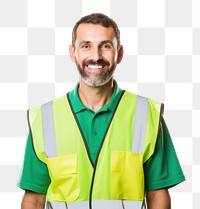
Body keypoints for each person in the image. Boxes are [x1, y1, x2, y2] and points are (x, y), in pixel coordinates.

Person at [18, 13, 185, 209]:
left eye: (105, 46)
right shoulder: (45, 118)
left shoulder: (146, 115)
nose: (96, 56)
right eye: (86, 46)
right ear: (73, 53)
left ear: (119, 54)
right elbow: (34, 199)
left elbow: (157, 196)